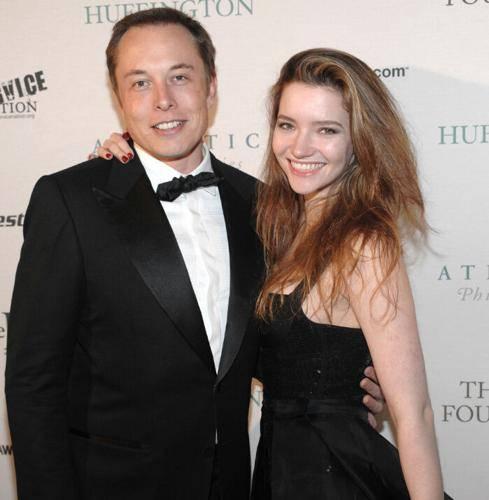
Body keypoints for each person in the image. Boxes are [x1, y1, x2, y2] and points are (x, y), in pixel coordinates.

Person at [5, 9, 384, 500]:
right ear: (119, 98)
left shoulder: (262, 204)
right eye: (140, 83)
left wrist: (346, 384)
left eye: (180, 77)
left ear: (211, 86)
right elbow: (33, 383)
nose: (163, 99)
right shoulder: (72, 202)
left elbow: (268, 347)